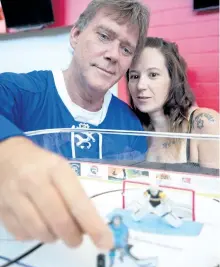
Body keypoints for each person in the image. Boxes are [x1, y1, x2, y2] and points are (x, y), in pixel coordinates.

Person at [0, 0, 150, 249]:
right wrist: (7, 150)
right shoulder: (18, 92)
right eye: (104, 36)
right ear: (76, 35)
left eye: (126, 49)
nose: (113, 55)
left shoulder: (131, 127)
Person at [126, 36, 220, 169]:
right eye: (134, 76)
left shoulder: (204, 123)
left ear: (173, 79)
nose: (140, 85)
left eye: (153, 75)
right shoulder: (133, 130)